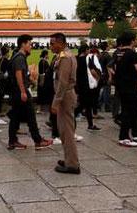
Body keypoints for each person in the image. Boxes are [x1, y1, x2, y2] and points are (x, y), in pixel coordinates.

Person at [7, 34, 53, 150]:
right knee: (31, 115)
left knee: (16, 117)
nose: (31, 46)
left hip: (16, 91)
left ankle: (12, 141)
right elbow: (18, 75)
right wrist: (23, 91)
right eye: (29, 44)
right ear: (23, 44)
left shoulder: (18, 57)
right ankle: (37, 140)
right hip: (20, 91)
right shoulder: (20, 57)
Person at [49, 33, 80, 174]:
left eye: (52, 43)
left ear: (60, 43)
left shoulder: (65, 58)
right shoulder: (64, 55)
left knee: (66, 131)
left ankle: (72, 164)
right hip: (66, 96)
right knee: (65, 130)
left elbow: (63, 82)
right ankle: (69, 159)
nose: (50, 46)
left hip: (64, 97)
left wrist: (56, 102)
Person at [74, 44, 99, 132]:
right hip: (85, 85)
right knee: (84, 105)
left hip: (78, 84)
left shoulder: (75, 58)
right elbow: (92, 71)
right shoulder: (87, 59)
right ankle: (72, 115)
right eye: (88, 49)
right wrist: (97, 78)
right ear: (85, 50)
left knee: (86, 105)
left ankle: (90, 124)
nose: (89, 51)